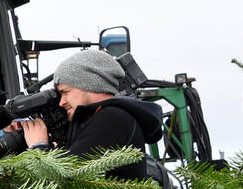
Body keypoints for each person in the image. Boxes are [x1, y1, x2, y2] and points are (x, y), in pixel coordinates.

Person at [10, 50, 164, 181]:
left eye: (65, 92)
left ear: (89, 85)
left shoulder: (112, 119)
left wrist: (39, 148)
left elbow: (67, 179)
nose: (61, 102)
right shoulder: (101, 118)